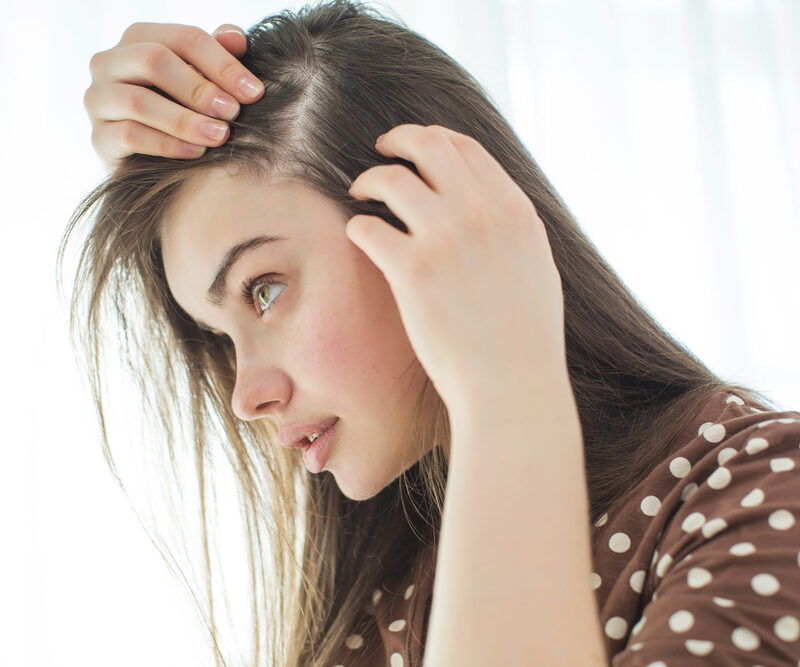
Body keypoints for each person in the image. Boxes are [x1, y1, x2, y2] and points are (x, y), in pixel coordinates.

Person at [63, 1, 800, 665]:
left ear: (433, 217)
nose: (244, 396)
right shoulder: (378, 577)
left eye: (265, 289)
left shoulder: (761, 493)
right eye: (217, 338)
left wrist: (507, 385)